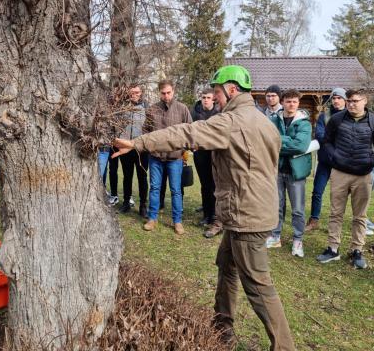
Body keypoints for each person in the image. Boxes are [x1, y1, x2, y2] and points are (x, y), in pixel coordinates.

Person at [112, 65, 295, 350]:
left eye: (218, 93)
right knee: (226, 265)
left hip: (247, 217)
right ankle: (223, 329)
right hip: (251, 212)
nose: (215, 98)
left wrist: (138, 142)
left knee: (259, 287)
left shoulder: (231, 121)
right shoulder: (264, 122)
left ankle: (284, 347)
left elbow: (185, 133)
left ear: (232, 90)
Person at [315, 89, 374, 269]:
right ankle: (332, 248)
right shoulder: (336, 119)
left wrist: (371, 161)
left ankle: (356, 250)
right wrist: (334, 157)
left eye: (355, 101)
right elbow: (326, 140)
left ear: (365, 101)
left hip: (363, 174)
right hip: (340, 172)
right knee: (336, 212)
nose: (352, 104)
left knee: (360, 215)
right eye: (349, 101)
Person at [142, 79, 192, 235]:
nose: (166, 96)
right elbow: (145, 132)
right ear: (159, 93)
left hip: (175, 158)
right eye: (163, 93)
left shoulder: (182, 109)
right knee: (155, 188)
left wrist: (183, 150)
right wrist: (150, 148)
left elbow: (190, 130)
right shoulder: (152, 110)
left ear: (173, 91)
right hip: (155, 157)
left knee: (176, 190)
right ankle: (152, 218)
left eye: (168, 92)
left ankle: (177, 221)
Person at [266, 89, 312, 258]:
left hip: (296, 172)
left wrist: (278, 141)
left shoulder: (304, 123)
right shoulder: (273, 119)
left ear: (298, 103)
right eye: (288, 101)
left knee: (298, 209)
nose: (291, 104)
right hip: (277, 170)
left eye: (294, 102)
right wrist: (287, 143)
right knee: (276, 206)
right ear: (282, 102)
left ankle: (298, 240)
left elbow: (300, 146)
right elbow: (267, 140)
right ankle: (275, 236)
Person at [306, 87, 346, 231]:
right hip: (324, 161)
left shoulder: (349, 116)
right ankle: (314, 220)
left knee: (339, 195)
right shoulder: (325, 115)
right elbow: (319, 135)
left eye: (339, 98)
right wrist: (335, 137)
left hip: (341, 163)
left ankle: (336, 223)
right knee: (317, 191)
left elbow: (348, 138)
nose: (336, 101)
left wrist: (332, 137)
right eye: (334, 98)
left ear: (345, 100)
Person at [191, 88, 222, 238]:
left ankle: (216, 218)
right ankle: (206, 215)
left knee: (215, 186)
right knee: (205, 185)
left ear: (213, 99)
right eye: (203, 97)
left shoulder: (219, 113)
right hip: (200, 154)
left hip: (215, 155)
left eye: (209, 97)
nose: (206, 100)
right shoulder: (195, 112)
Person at [118, 85, 149, 216]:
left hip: (141, 148)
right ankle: (126, 202)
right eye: (131, 92)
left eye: (137, 92)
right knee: (127, 176)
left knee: (142, 177)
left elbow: (150, 127)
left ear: (141, 93)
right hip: (125, 147)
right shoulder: (122, 107)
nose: (134, 94)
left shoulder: (147, 108)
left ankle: (143, 205)